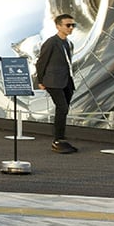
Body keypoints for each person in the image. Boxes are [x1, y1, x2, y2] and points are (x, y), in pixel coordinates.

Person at [35, 13, 78, 153]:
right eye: (68, 25)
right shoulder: (51, 42)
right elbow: (41, 62)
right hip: (53, 82)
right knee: (62, 108)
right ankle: (57, 139)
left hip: (66, 82)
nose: (71, 28)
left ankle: (61, 139)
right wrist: (40, 80)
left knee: (63, 110)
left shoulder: (68, 43)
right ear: (58, 26)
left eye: (73, 25)